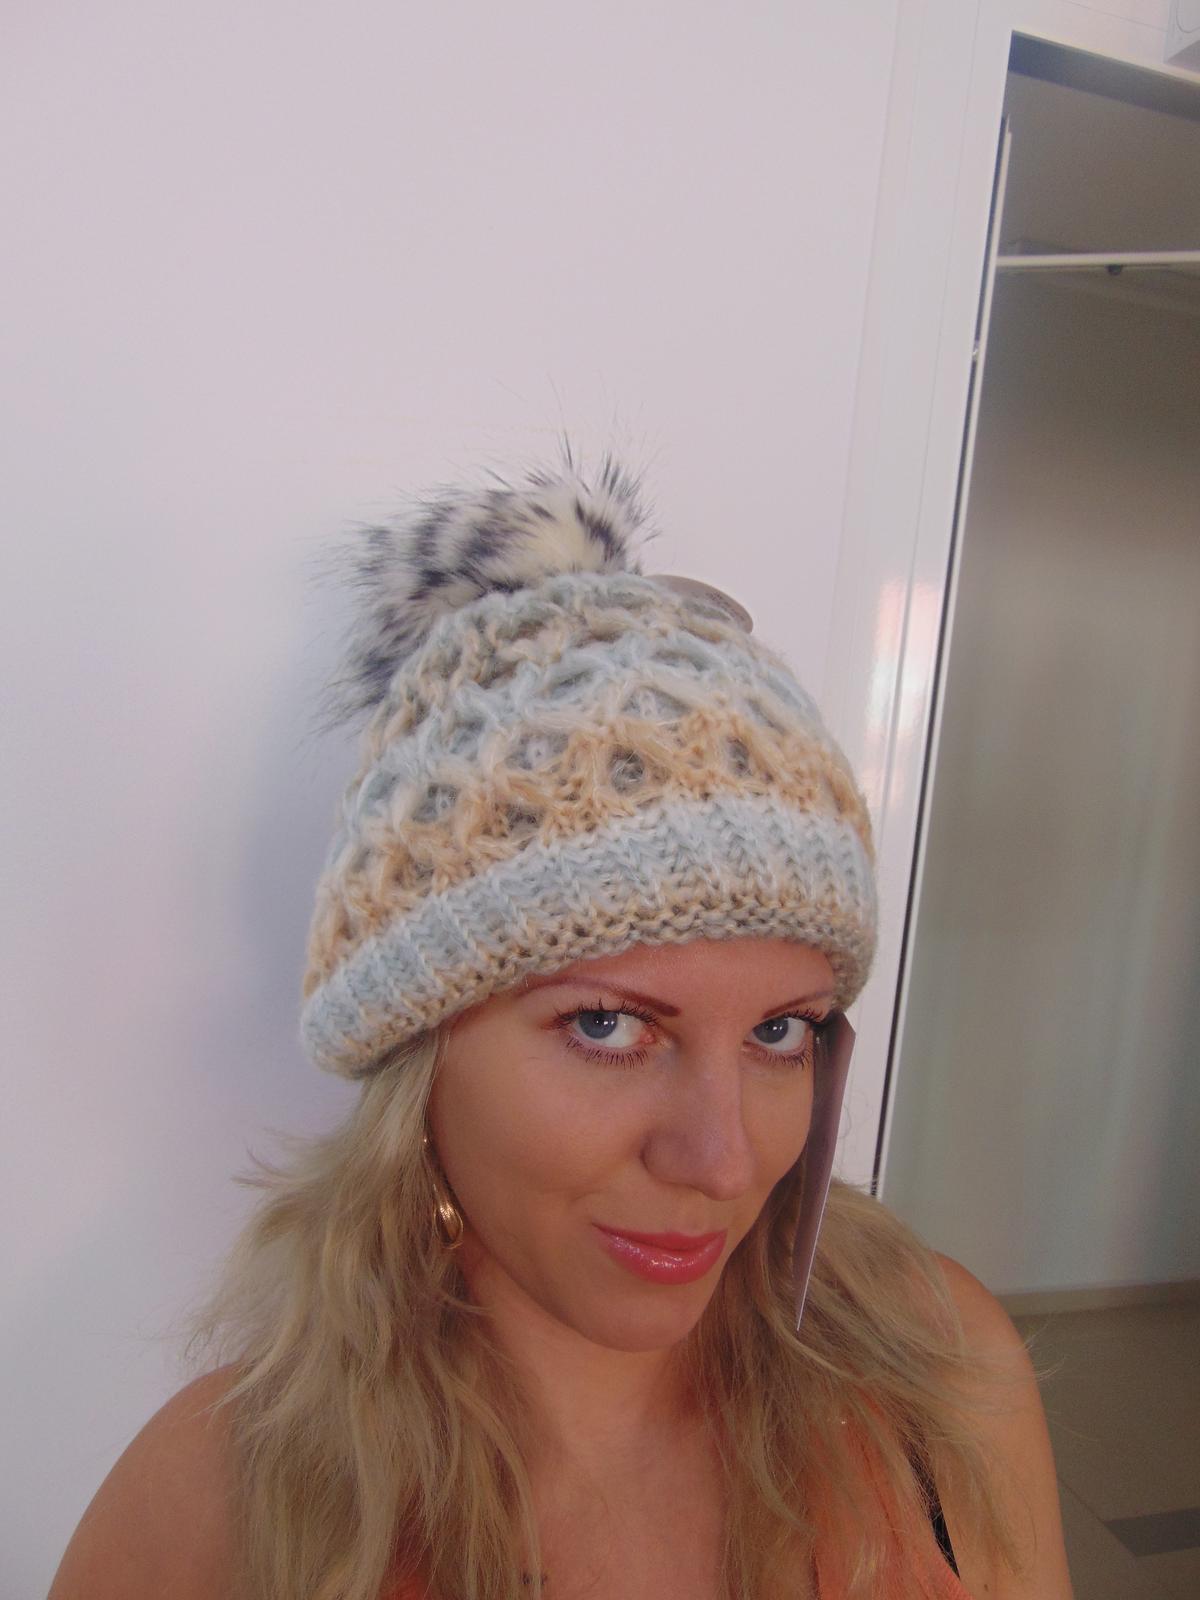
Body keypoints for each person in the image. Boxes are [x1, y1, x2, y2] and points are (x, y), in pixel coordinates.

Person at [48, 453, 1074, 1600]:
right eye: (606, 1024)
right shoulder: (219, 1506)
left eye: (781, 1033)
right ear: (418, 1042)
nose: (723, 1160)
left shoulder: (939, 1375)